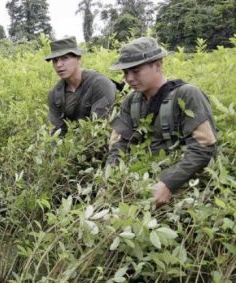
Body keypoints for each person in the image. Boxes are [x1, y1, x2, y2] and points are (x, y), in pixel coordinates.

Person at [106, 37, 217, 208]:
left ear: (158, 65)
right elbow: (119, 145)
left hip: (190, 185)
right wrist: (109, 180)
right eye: (125, 72)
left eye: (135, 71)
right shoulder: (131, 101)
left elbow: (203, 148)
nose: (129, 78)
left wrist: (169, 183)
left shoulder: (188, 95)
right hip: (144, 182)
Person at [44, 36, 117, 136]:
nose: (59, 65)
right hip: (80, 141)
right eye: (55, 60)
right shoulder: (55, 94)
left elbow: (100, 128)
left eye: (64, 58)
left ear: (78, 58)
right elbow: (57, 132)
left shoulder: (100, 84)